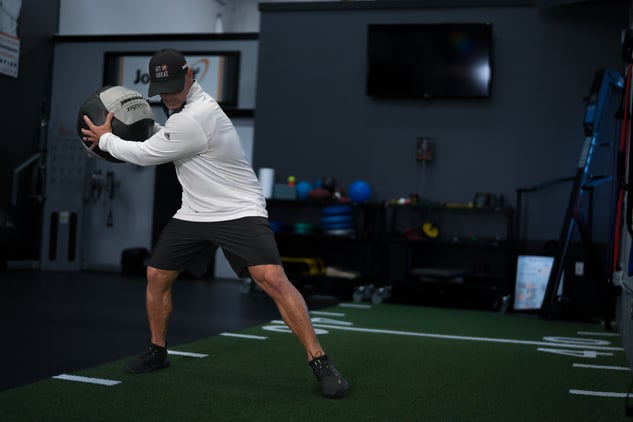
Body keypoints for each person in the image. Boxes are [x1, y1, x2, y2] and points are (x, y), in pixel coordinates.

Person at [81, 48, 348, 399]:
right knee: (156, 276)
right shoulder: (180, 116)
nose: (170, 96)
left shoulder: (198, 115)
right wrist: (143, 127)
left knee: (272, 279)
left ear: (190, 76)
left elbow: (147, 155)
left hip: (238, 210)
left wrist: (106, 139)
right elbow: (166, 138)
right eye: (164, 91)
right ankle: (157, 350)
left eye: (176, 87)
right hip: (194, 212)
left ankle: (320, 361)